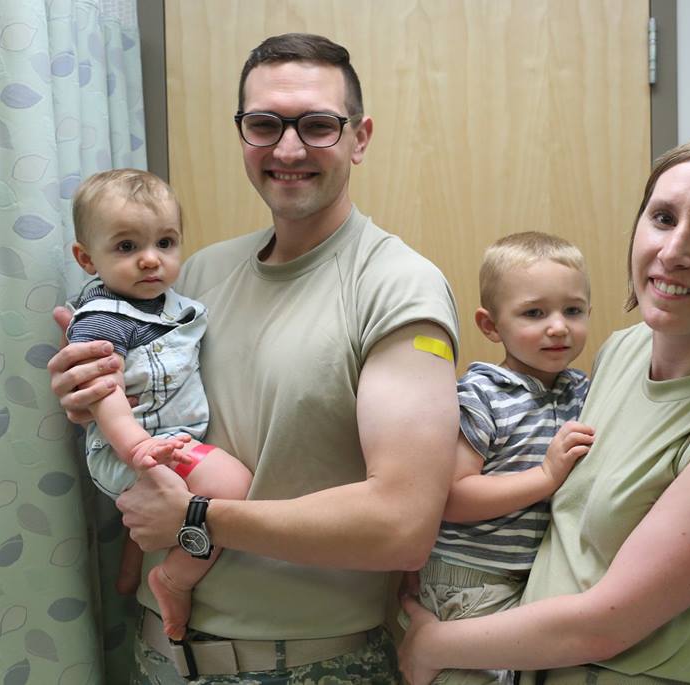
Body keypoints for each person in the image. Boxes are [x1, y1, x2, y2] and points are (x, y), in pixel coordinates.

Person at [49, 33, 460, 683]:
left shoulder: (398, 286)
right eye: (265, 124)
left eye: (318, 125)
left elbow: (403, 525)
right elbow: (153, 420)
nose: (288, 148)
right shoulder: (193, 280)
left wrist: (197, 516)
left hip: (312, 664)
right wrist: (90, 386)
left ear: (359, 137)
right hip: (158, 653)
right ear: (243, 135)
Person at [398, 139, 690, 685]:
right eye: (663, 218)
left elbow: (606, 625)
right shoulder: (622, 351)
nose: (674, 251)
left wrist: (433, 644)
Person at [66, 169, 252, 642]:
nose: (151, 260)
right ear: (87, 259)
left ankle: (130, 572)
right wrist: (137, 450)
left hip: (167, 438)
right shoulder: (106, 319)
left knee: (177, 496)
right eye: (127, 248)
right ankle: (174, 578)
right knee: (231, 483)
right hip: (128, 447)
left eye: (165, 243)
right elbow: (105, 396)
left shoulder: (174, 307)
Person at [410, 232, 595, 685]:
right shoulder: (481, 395)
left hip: (538, 576)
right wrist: (546, 475)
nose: (558, 326)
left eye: (573, 310)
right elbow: (453, 496)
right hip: (473, 578)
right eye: (534, 312)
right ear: (491, 326)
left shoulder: (584, 391)